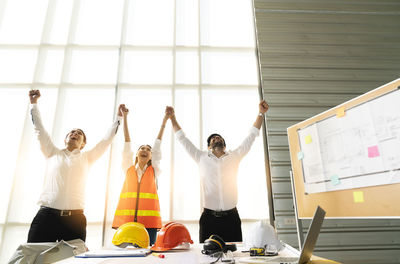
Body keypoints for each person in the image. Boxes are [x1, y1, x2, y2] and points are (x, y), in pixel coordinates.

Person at [165, 100, 269, 243]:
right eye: (213, 139)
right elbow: (182, 139)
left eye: (219, 138)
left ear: (224, 145)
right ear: (209, 147)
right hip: (209, 219)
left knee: (233, 256)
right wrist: (172, 118)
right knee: (207, 257)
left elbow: (251, 136)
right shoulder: (200, 157)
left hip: (231, 218)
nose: (216, 138)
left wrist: (260, 114)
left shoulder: (234, 156)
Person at [27, 89, 123, 243]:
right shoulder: (52, 152)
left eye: (79, 134)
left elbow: (106, 140)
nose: (75, 133)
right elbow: (39, 129)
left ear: (83, 144)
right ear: (66, 139)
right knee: (34, 256)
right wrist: (33, 103)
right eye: (72, 132)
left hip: (75, 219)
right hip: (47, 216)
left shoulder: (87, 158)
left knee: (75, 258)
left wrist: (119, 117)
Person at [112, 105, 167, 245]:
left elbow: (158, 145)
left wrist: (165, 120)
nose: (145, 150)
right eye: (141, 148)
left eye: (148, 149)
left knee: (148, 256)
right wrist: (124, 118)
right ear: (136, 154)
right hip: (127, 221)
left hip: (149, 224)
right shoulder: (127, 168)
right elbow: (127, 142)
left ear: (151, 156)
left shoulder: (155, 170)